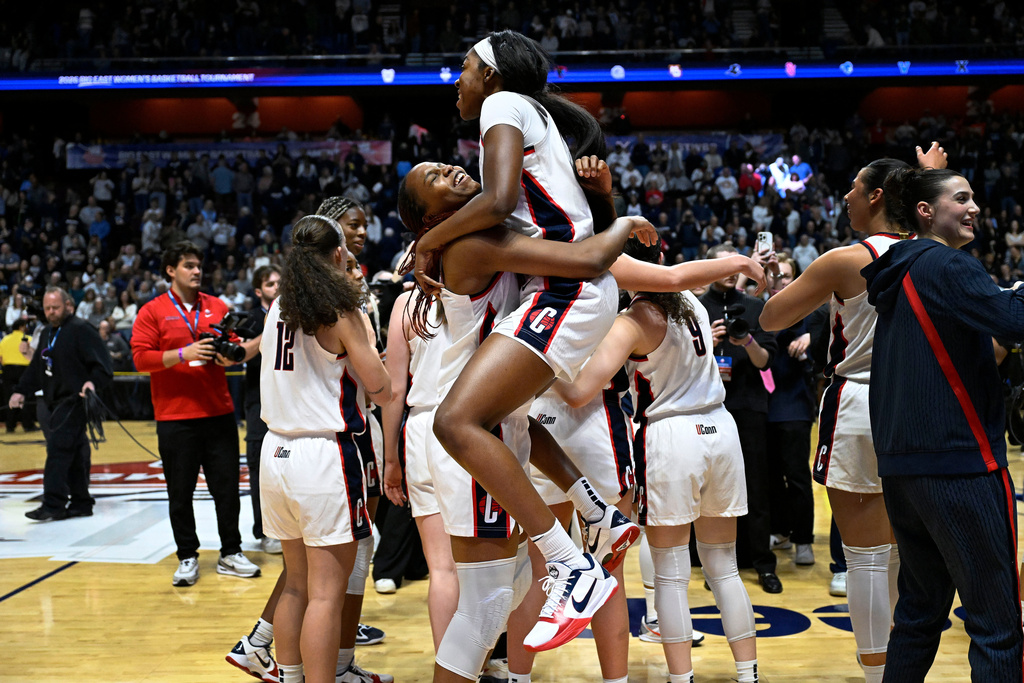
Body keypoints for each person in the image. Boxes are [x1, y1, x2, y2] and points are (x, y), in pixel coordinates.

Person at [408, 30, 641, 654]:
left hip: (566, 289)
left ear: (489, 72)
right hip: (566, 285)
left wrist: (428, 241)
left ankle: (568, 564)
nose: (455, 79)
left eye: (461, 68)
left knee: (457, 422)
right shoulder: (531, 116)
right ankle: (593, 516)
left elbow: (502, 197)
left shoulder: (501, 106)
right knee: (485, 420)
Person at [398, 155, 658, 681]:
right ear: (428, 219)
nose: (449, 170)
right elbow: (587, 260)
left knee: (501, 593)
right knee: (486, 605)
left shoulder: (488, 233)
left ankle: (593, 515)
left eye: (445, 165)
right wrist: (625, 221)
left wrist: (600, 198)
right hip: (470, 435)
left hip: (493, 423)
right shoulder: (473, 244)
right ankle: (570, 558)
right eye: (433, 179)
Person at [761, 143, 948, 682]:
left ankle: (877, 675)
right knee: (896, 554)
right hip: (917, 407)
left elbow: (773, 318)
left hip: (861, 402)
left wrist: (777, 285)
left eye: (853, 187)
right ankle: (903, 670)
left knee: (865, 556)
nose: (844, 197)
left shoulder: (845, 260)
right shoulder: (930, 251)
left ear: (875, 196)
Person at [554, 236, 760, 683]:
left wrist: (541, 359)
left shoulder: (632, 321)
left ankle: (680, 678)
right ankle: (748, 675)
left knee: (669, 574)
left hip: (672, 435)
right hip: (720, 430)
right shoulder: (690, 299)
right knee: (724, 565)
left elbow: (576, 391)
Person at [862, 167, 1023, 682]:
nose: (975, 206)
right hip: (960, 463)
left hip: (905, 469)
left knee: (919, 613)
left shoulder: (901, 269)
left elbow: (981, 348)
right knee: (996, 623)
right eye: (962, 197)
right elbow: (1016, 323)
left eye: (975, 196)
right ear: (926, 212)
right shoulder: (949, 266)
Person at [258, 214, 392, 683]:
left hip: (274, 455)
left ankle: (290, 676)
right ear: (338, 253)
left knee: (296, 586)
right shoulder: (341, 311)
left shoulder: (279, 306)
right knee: (326, 595)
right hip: (323, 457)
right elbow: (380, 387)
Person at [131, 241, 261, 587]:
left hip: (219, 412)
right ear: (171, 270)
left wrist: (231, 355)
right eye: (189, 265)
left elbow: (234, 345)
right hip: (175, 417)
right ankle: (187, 556)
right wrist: (183, 352)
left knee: (227, 489)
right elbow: (140, 359)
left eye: (199, 265)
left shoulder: (217, 306)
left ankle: (230, 552)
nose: (197, 271)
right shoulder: (152, 311)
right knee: (180, 491)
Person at [699, 244, 781, 594]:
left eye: (738, 265)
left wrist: (745, 339)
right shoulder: (696, 308)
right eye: (725, 264)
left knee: (757, 486)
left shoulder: (755, 306)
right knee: (709, 489)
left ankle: (763, 563)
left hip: (748, 407)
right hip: (705, 408)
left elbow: (764, 362)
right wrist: (707, 340)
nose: (732, 271)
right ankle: (714, 562)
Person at [9, 287, 112, 520]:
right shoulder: (47, 332)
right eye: (47, 308)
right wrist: (20, 392)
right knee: (73, 452)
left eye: (55, 307)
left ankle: (53, 504)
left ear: (69, 306)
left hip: (75, 400)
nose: (51, 312)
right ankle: (81, 502)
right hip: (53, 401)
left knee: (57, 450)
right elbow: (37, 368)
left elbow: (104, 366)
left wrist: (91, 383)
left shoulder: (82, 330)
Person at [763, 254, 816, 566]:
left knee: (796, 476)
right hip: (762, 406)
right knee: (769, 477)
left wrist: (813, 337)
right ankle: (781, 531)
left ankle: (803, 539)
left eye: (786, 275)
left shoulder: (808, 310)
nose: (781, 280)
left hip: (794, 403)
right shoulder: (760, 308)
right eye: (775, 275)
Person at [241, 264, 283, 555]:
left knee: (285, 468)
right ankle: (264, 531)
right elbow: (242, 353)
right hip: (257, 403)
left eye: (280, 282)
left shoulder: (296, 315)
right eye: (270, 284)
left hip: (286, 403)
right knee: (259, 471)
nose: (277, 288)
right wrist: (271, 325)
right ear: (259, 291)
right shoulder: (251, 319)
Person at [1, 318, 36, 433]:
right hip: (25, 370)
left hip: (8, 370)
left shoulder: (4, 340)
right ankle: (28, 425)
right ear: (21, 327)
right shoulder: (28, 339)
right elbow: (34, 357)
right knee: (26, 397)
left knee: (9, 398)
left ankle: (10, 426)